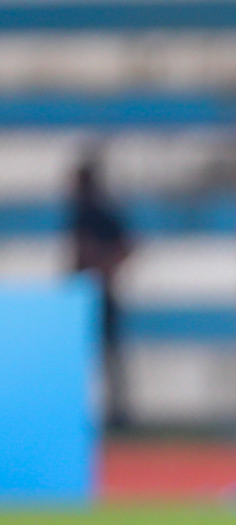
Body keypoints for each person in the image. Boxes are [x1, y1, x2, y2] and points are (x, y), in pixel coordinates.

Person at [70, 151, 133, 431]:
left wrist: (103, 266)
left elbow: (126, 246)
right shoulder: (79, 214)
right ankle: (89, 412)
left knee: (109, 356)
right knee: (89, 357)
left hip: (99, 294)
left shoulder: (99, 214)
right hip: (81, 294)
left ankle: (117, 414)